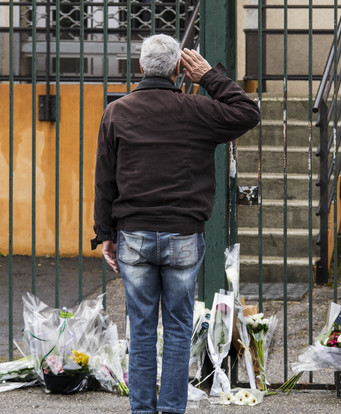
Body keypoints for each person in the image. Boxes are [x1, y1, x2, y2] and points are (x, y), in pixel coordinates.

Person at [91, 34, 260, 414]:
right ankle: (171, 409)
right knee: (179, 329)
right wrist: (208, 77)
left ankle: (142, 410)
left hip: (133, 234)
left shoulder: (117, 112)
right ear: (180, 70)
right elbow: (247, 112)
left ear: (140, 67)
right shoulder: (197, 109)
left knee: (142, 330)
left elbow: (105, 179)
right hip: (183, 234)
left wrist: (105, 234)